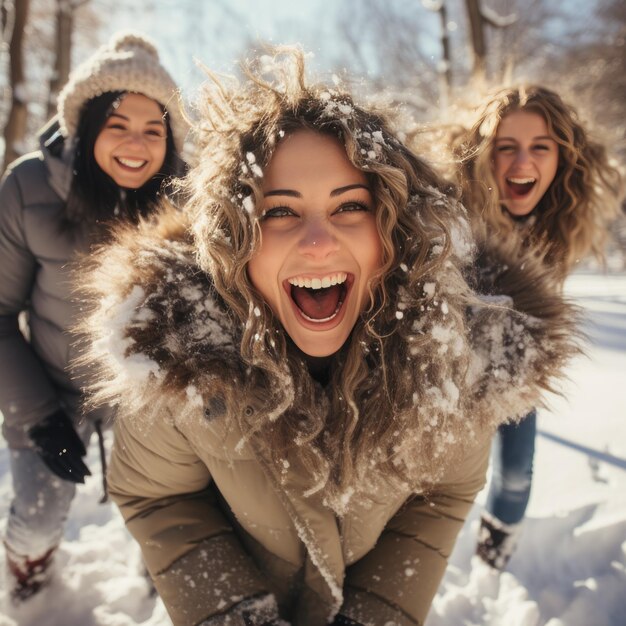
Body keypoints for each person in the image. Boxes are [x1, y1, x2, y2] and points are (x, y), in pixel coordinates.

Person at [77, 50, 578, 626]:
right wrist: (233, 612)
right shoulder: (179, 355)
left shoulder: (459, 361)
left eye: (350, 207)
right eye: (280, 212)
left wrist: (379, 613)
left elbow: (441, 494)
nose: (317, 243)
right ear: (234, 243)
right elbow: (157, 495)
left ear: (394, 231)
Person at [0, 30, 187, 602]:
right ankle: (27, 574)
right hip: (53, 391)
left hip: (148, 398)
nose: (137, 144)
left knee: (173, 516)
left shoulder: (187, 199)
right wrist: (38, 417)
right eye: (118, 126)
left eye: (154, 130)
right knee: (34, 520)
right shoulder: (30, 187)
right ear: (85, 128)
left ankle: (162, 583)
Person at [451, 84, 623, 570]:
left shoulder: (559, 221)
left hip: (517, 373)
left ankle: (494, 552)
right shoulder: (451, 214)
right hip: (451, 378)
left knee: (516, 473)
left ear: (562, 158)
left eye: (540, 147)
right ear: (484, 154)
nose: (521, 162)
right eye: (506, 147)